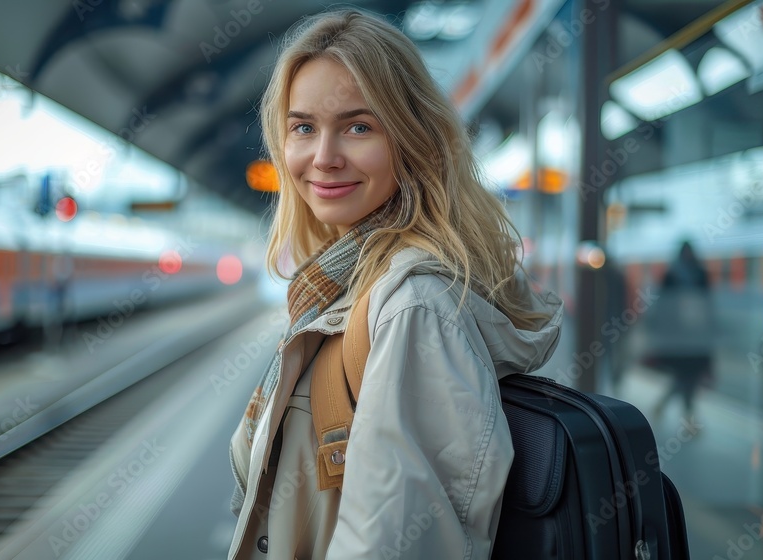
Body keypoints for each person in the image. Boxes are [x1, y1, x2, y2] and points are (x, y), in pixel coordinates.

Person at [227, 10, 563, 559]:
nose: (324, 157)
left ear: (414, 141)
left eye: (359, 127)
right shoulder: (343, 287)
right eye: (304, 127)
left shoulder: (412, 305)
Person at [646, 240, 715, 423]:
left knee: (685, 377)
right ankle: (689, 418)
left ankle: (669, 408)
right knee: (687, 377)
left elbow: (708, 307)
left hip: (694, 338)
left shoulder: (680, 275)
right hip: (682, 338)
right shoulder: (691, 275)